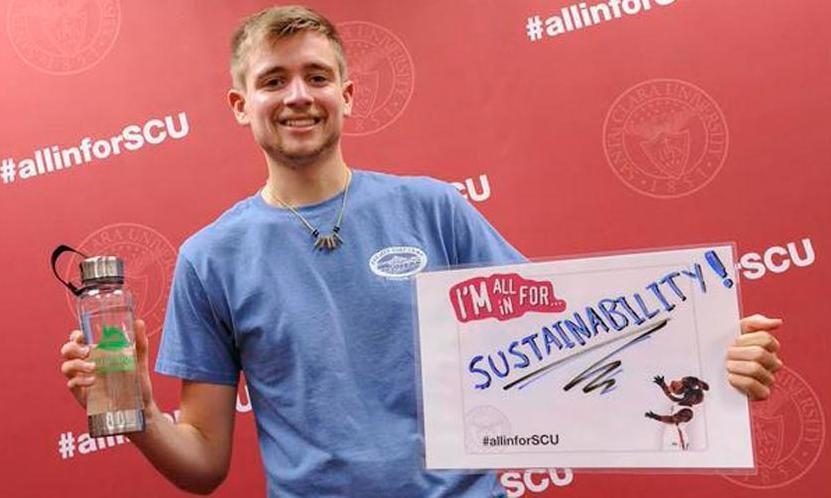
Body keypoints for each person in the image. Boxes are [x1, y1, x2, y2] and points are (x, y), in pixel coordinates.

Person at [59, 5, 784, 497]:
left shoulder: (434, 208)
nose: (297, 95)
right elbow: (203, 465)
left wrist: (705, 358)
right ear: (239, 104)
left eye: (316, 76)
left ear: (347, 94)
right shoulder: (210, 258)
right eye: (272, 80)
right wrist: (135, 412)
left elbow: (573, 340)